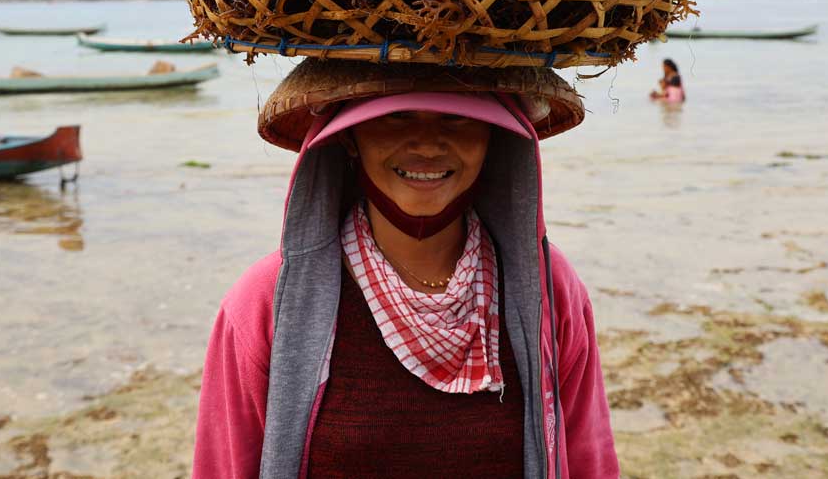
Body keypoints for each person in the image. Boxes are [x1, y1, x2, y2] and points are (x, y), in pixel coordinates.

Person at [192, 60, 619, 478]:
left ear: (494, 138)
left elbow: (587, 458)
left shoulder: (549, 288)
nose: (428, 145)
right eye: (396, 118)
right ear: (349, 138)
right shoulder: (266, 302)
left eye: (458, 119)